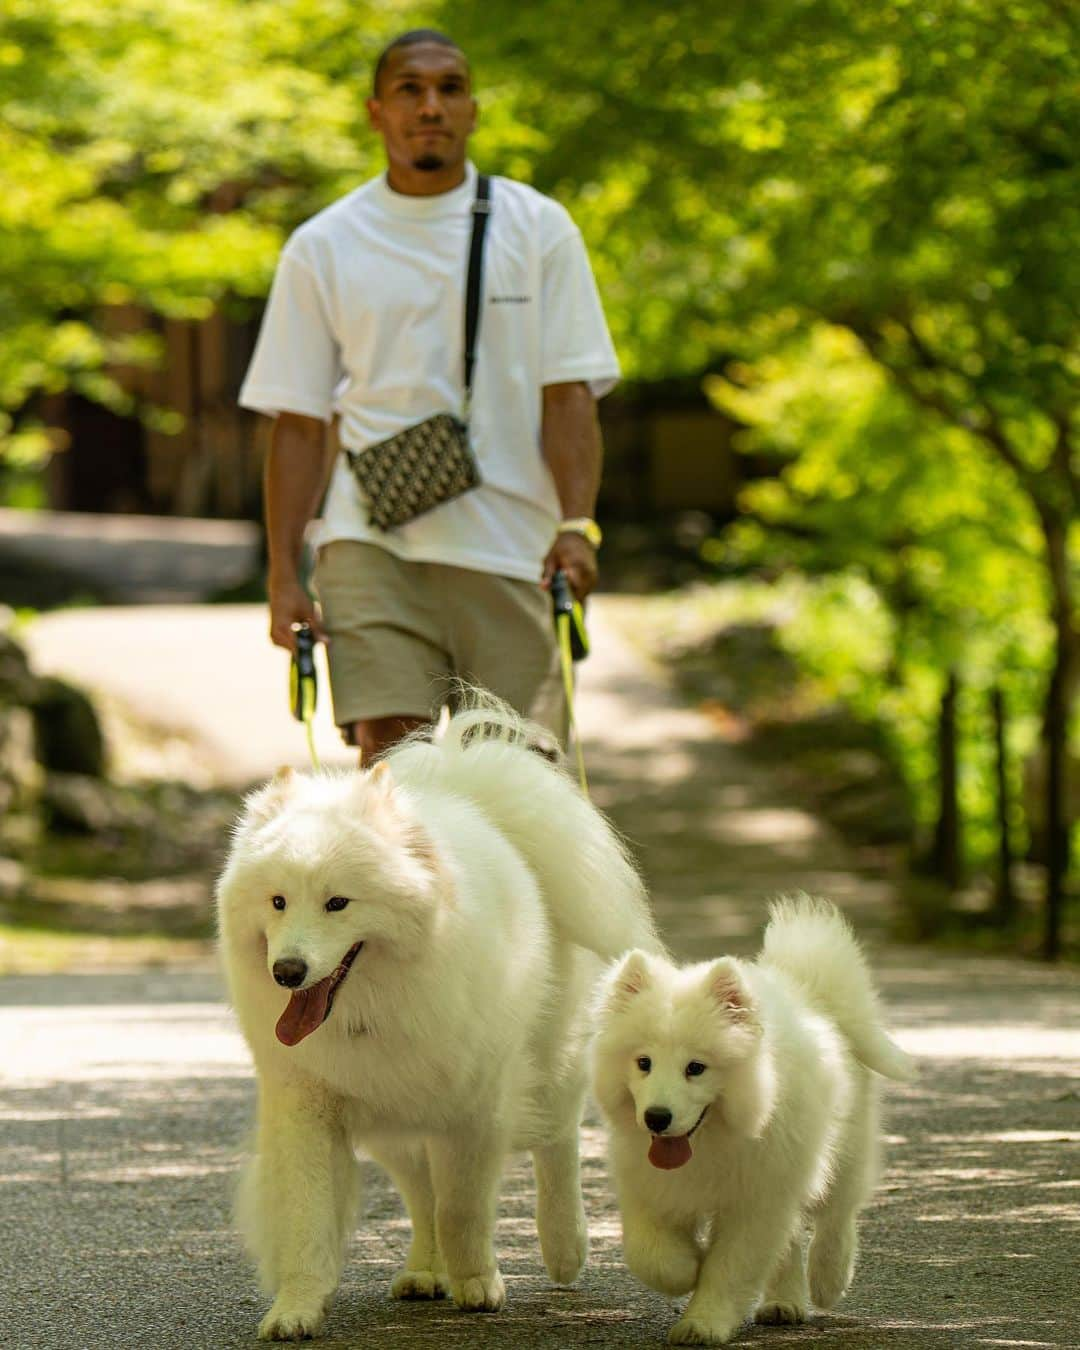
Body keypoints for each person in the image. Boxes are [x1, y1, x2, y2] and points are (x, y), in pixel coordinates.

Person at [239, 28, 619, 761]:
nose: (431, 105)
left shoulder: (539, 229)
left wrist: (578, 524)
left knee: (519, 796)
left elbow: (569, 394)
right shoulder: (324, 244)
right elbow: (298, 421)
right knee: (396, 787)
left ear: (473, 110)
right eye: (410, 89)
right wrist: (285, 575)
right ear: (376, 112)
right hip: (371, 546)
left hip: (515, 550)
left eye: (450, 88)